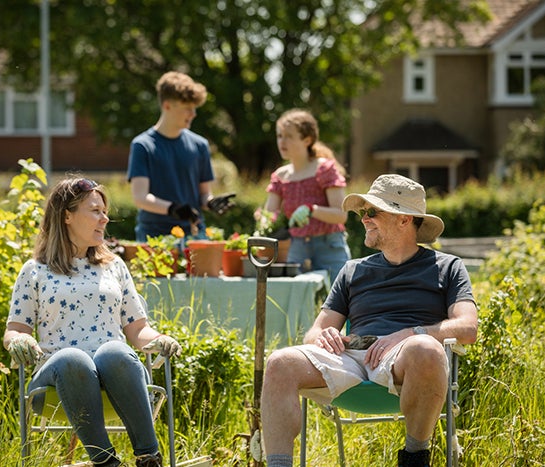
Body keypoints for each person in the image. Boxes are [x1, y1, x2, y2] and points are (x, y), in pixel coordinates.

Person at [260, 174, 478, 467]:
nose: (364, 219)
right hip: (349, 358)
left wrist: (409, 334)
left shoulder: (447, 267)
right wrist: (323, 337)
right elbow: (316, 331)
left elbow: (468, 327)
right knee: (279, 362)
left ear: (404, 219)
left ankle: (414, 459)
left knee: (425, 348)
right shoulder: (352, 270)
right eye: (363, 212)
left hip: (404, 360)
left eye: (372, 211)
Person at [3, 177, 181, 467]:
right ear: (67, 216)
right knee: (73, 359)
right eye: (95, 210)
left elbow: (137, 330)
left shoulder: (114, 266)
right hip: (55, 381)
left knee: (114, 351)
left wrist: (159, 339)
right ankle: (106, 462)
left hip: (118, 378)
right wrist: (20, 340)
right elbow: (15, 330)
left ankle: (150, 458)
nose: (105, 218)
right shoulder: (35, 270)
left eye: (104, 211)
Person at [127, 71, 235, 241]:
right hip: (155, 236)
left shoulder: (200, 145)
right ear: (167, 105)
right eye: (187, 108)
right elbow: (140, 197)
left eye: (194, 108)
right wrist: (172, 208)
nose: (193, 114)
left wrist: (211, 202)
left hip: (194, 233)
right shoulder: (143, 146)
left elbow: (204, 194)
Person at [262, 108, 350, 282]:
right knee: (295, 304)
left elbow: (341, 215)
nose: (282, 141)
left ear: (307, 140)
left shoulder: (324, 169)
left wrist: (311, 209)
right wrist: (263, 223)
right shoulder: (280, 176)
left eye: (289, 136)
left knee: (342, 303)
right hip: (297, 247)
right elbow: (268, 215)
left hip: (330, 246)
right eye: (279, 136)